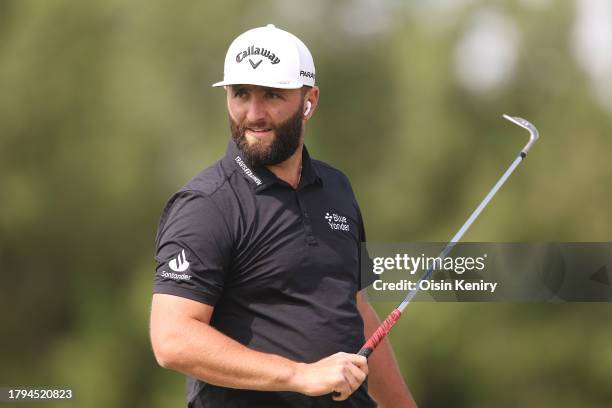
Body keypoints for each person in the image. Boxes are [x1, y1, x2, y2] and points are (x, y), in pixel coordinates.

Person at [149, 24, 417, 408]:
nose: (253, 114)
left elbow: (355, 308)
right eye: (241, 94)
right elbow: (172, 339)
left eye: (272, 95)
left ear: (310, 100)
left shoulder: (336, 188)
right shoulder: (206, 204)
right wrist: (300, 375)